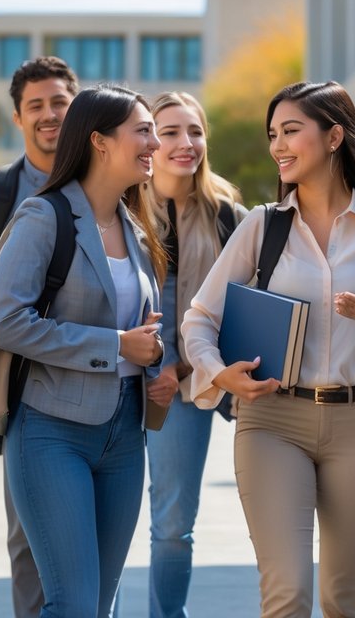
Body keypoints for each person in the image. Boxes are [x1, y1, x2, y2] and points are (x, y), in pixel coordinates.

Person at [182, 81, 355, 618]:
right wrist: (221, 375)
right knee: (287, 593)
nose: (278, 146)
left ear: (335, 136)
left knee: (344, 598)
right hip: (271, 421)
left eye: (292, 131)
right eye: (273, 135)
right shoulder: (262, 227)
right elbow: (198, 320)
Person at [0, 85, 177, 618]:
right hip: (51, 431)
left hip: (123, 432)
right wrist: (115, 345)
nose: (155, 144)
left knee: (99, 603)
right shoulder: (42, 216)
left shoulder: (137, 229)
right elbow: (6, 323)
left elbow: (135, 330)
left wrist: (152, 354)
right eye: (143, 131)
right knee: (71, 605)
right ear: (99, 141)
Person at [0, 55, 78, 618]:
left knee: (103, 543)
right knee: (27, 538)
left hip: (109, 388)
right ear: (17, 117)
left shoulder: (118, 183)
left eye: (60, 102)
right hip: (26, 395)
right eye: (37, 106)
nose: (50, 114)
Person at [140, 91, 246, 618]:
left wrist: (180, 368)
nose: (186, 144)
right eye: (170, 131)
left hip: (186, 389)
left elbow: (242, 314)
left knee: (174, 525)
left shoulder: (230, 217)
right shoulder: (118, 210)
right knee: (98, 521)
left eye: (195, 131)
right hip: (112, 383)